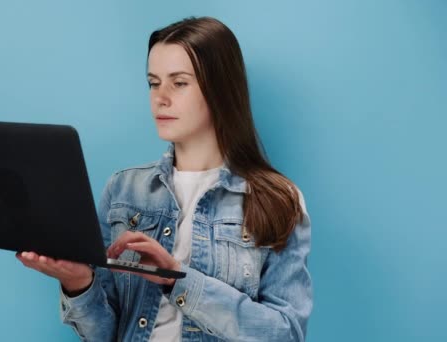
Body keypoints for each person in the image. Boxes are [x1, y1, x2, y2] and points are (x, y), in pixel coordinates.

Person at [17, 16, 312, 341]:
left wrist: (175, 278)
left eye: (179, 82)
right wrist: (78, 284)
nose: (161, 97)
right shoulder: (123, 190)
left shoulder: (277, 199)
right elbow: (102, 334)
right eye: (154, 83)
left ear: (220, 90)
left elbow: (286, 334)